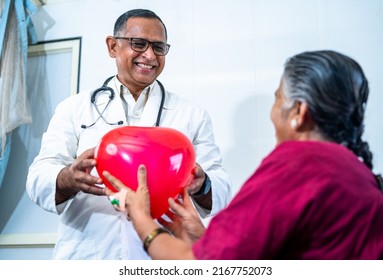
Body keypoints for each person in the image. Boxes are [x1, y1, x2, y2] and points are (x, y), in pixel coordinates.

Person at [104, 50, 383, 260]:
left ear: (299, 113)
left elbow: (197, 271)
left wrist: (140, 216)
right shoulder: (360, 175)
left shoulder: (296, 167)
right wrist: (201, 238)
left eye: (278, 98)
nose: (272, 113)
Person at [26, 9, 232, 260]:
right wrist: (68, 178)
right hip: (88, 257)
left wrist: (204, 184)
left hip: (158, 256)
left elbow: (220, 186)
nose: (149, 55)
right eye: (138, 43)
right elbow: (37, 177)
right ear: (112, 46)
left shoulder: (192, 115)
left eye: (158, 47)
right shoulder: (74, 108)